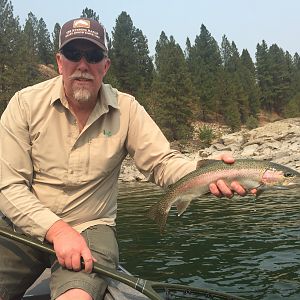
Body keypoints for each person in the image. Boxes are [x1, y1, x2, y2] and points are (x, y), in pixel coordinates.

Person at [0, 17, 248, 300]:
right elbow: (9, 187)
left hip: (90, 228)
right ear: (59, 62)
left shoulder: (127, 109)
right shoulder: (24, 104)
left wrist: (206, 171)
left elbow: (162, 163)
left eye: (93, 56)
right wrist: (56, 230)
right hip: (23, 226)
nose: (83, 65)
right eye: (73, 54)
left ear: (105, 66)